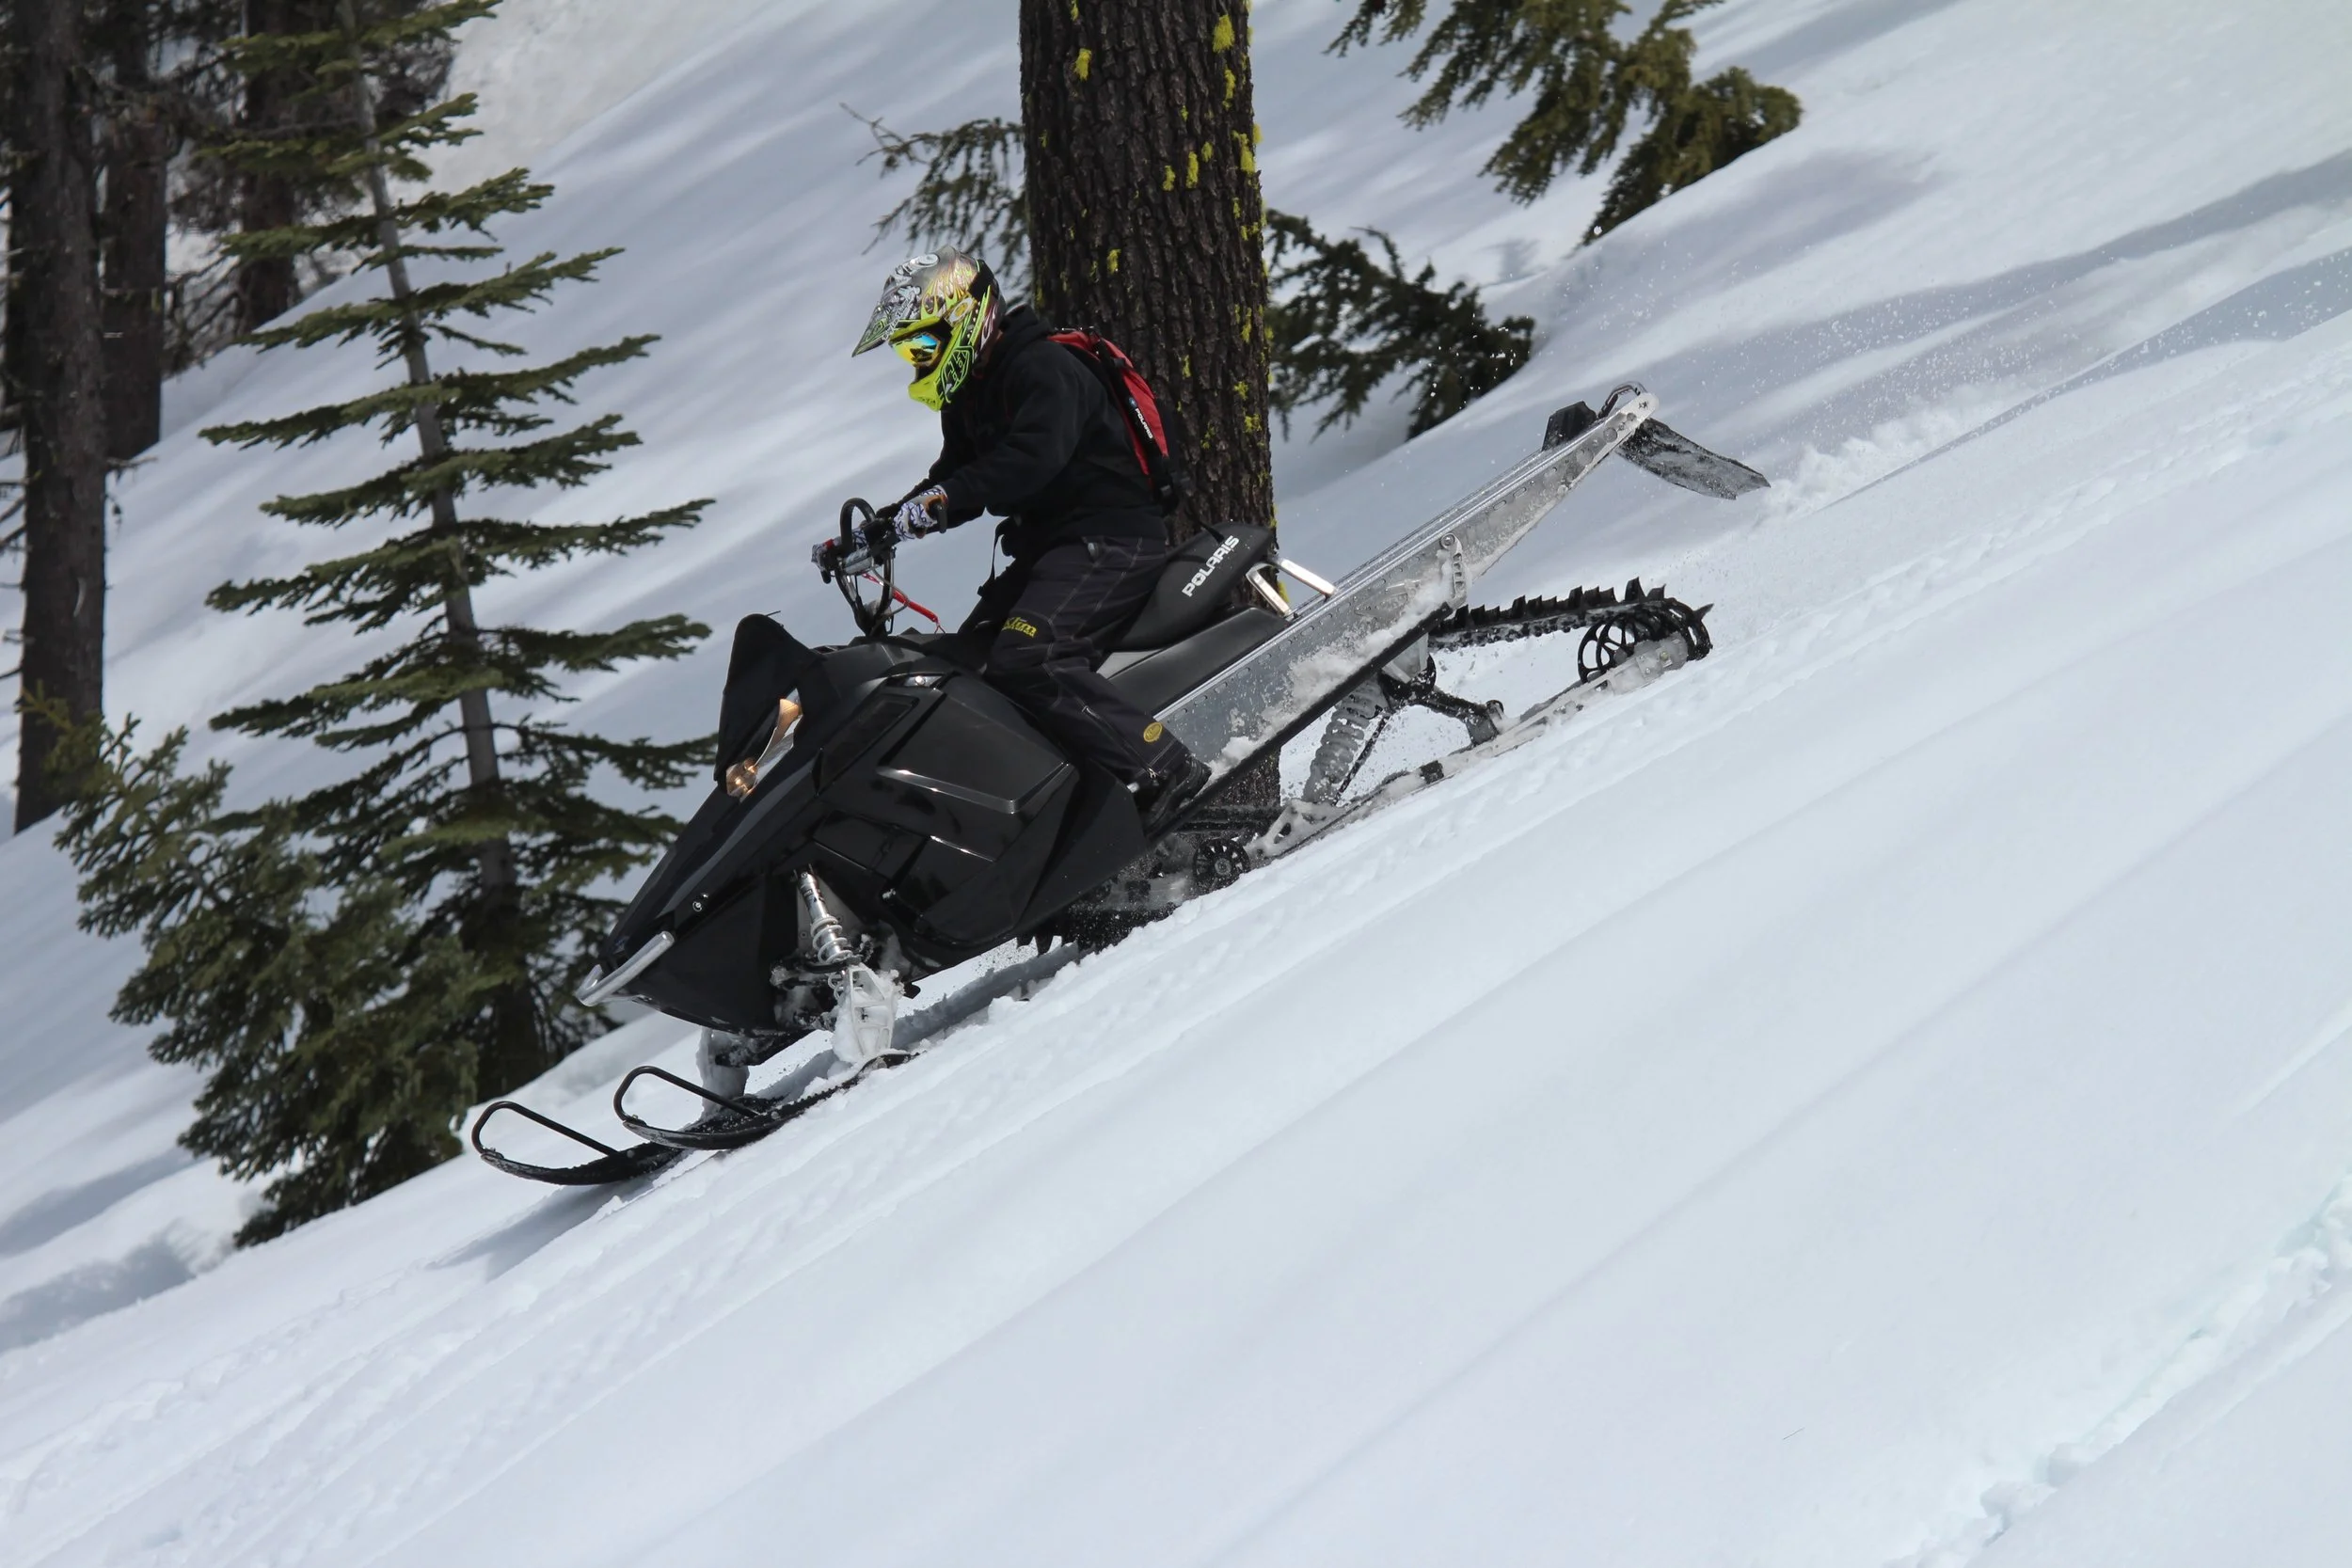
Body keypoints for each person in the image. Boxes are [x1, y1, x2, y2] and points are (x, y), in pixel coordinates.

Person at [843, 248, 1210, 834]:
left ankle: (1163, 766)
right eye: (908, 352)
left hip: (1109, 538)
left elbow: (1029, 461)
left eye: (923, 345)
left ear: (967, 319)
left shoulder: (1042, 368)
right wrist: (882, 527)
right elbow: (956, 476)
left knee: (1031, 658)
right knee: (962, 671)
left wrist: (938, 502)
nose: (918, 361)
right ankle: (1060, 816)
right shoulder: (972, 393)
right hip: (1052, 550)